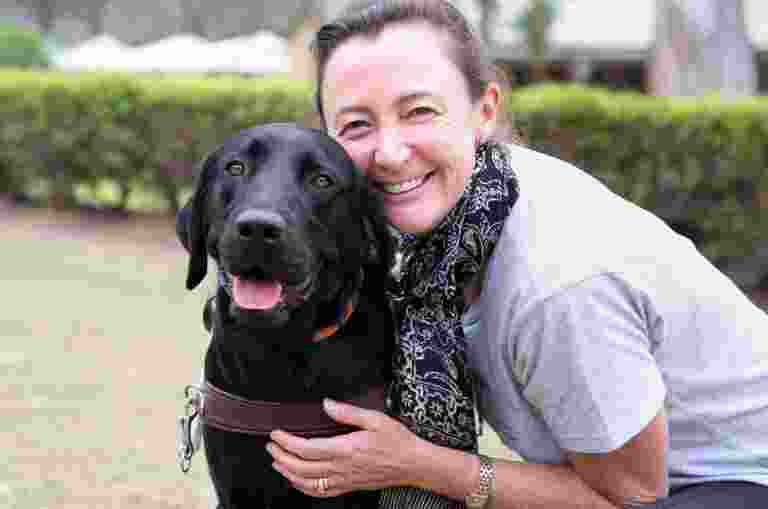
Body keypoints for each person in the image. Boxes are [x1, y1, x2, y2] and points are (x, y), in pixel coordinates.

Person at [264, 1, 768, 507]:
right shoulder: (454, 216)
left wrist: (417, 463)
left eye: (419, 111)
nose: (390, 153)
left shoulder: (556, 283)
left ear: (484, 111)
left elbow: (630, 497)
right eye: (356, 125)